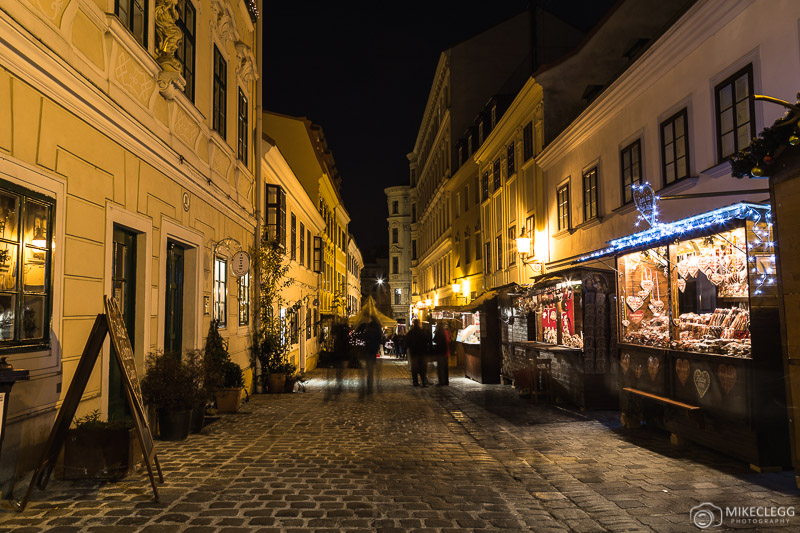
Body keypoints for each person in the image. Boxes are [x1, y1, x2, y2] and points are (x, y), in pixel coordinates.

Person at [357, 315, 383, 395]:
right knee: (371, 370)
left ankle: (368, 387)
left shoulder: (367, 327)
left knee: (367, 369)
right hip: (374, 350)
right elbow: (380, 339)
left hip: (367, 349)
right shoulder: (378, 328)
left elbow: (362, 336)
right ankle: (370, 387)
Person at [406, 318, 429, 387]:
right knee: (422, 368)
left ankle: (415, 382)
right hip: (422, 352)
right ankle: (423, 382)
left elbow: (407, 343)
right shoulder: (422, 332)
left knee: (414, 368)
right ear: (419, 324)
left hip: (414, 353)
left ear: (413, 324)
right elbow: (426, 341)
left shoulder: (410, 332)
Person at [330, 319, 351, 394]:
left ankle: (339, 384)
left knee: (339, 371)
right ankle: (340, 384)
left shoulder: (338, 336)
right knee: (342, 370)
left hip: (338, 354)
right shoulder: (346, 334)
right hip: (344, 354)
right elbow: (348, 345)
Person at [432, 320, 450, 386]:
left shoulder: (439, 333)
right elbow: (448, 341)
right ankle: (446, 381)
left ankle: (441, 381)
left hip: (440, 353)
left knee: (440, 368)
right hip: (446, 352)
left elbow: (435, 340)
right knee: (445, 367)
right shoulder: (446, 332)